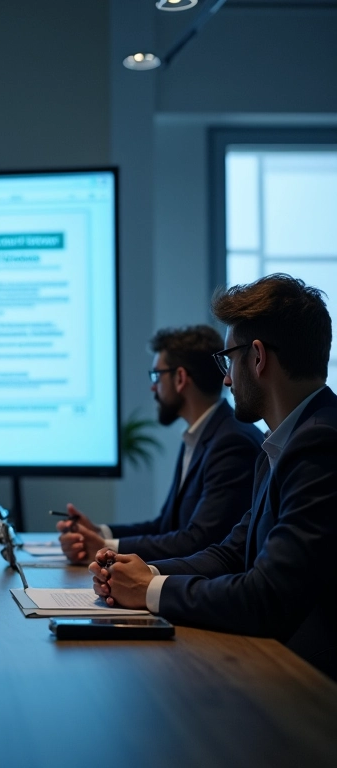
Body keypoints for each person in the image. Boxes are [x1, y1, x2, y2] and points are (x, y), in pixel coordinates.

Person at [91, 274, 337, 679]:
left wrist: (150, 591)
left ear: (257, 357)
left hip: (310, 691)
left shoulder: (320, 445)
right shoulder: (282, 444)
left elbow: (265, 597)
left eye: (229, 360)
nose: (225, 378)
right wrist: (143, 572)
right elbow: (231, 552)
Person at [58, 325, 263, 562]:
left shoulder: (232, 441)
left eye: (157, 375)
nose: (152, 387)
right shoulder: (203, 434)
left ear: (180, 378)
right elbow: (165, 526)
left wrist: (105, 547)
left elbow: (199, 541)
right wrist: (100, 533)